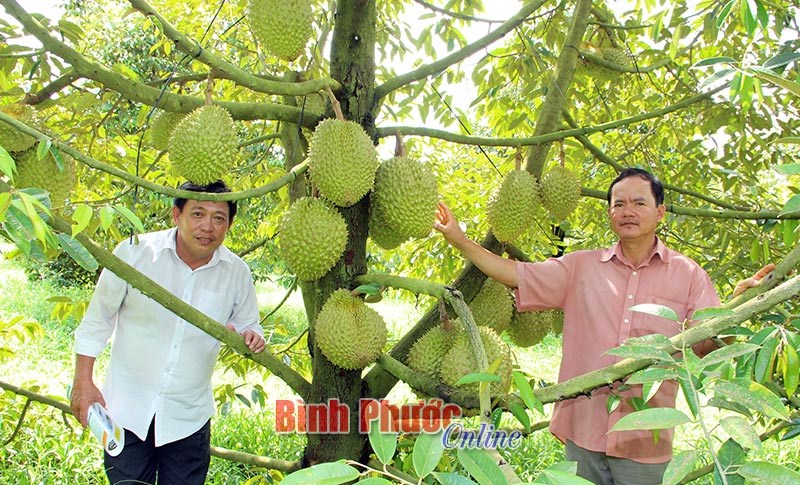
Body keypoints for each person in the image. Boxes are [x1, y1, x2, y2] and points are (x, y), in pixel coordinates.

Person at [434, 167, 772, 485]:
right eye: (619, 204)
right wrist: (460, 240)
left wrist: (734, 311)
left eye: (639, 202)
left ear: (660, 212)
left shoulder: (688, 276)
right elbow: (518, 275)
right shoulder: (581, 267)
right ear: (610, 213)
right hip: (583, 430)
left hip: (645, 438)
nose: (628, 210)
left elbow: (711, 344)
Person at [69, 180, 266, 485]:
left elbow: (249, 323)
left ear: (229, 224)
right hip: (126, 412)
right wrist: (83, 381)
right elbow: (97, 321)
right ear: (176, 214)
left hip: (188, 419)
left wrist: (251, 335)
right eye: (197, 214)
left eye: (219, 218)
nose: (208, 227)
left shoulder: (236, 272)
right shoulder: (135, 253)